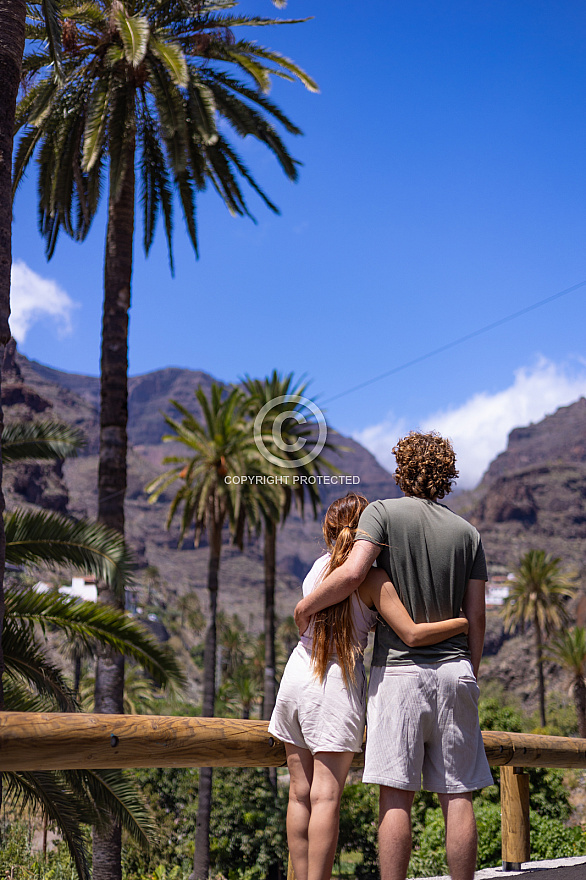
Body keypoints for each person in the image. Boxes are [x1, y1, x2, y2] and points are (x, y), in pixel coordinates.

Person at [294, 432, 493, 880]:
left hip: (399, 674)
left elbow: (353, 573)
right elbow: (476, 618)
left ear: (401, 468)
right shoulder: (469, 534)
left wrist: (307, 606)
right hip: (455, 672)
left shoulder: (382, 513)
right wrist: (469, 672)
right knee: (458, 795)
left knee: (396, 795)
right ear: (447, 474)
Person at [270, 491, 470, 880]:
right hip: (334, 683)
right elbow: (411, 633)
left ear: (329, 531)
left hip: (295, 675)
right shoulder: (374, 579)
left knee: (299, 794)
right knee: (325, 796)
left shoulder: (317, 568)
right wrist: (462, 623)